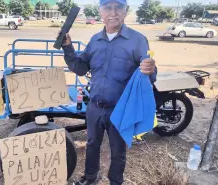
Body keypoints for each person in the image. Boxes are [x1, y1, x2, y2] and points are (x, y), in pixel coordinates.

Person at [60, 0, 157, 184]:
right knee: (92, 145)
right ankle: (90, 177)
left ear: (126, 11)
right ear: (100, 12)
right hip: (95, 107)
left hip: (121, 110)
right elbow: (81, 68)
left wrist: (150, 69)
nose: (113, 12)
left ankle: (115, 181)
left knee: (118, 150)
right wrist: (68, 47)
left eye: (118, 7)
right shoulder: (95, 40)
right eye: (107, 8)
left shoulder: (138, 40)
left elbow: (149, 75)